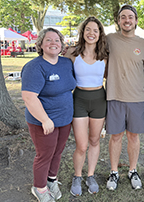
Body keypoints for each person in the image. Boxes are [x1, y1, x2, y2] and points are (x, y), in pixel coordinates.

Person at [21, 28, 76, 202]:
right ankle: (39, 187)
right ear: (41, 45)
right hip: (43, 121)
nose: (53, 43)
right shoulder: (34, 67)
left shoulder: (66, 63)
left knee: (58, 151)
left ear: (62, 45)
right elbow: (29, 97)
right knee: (44, 154)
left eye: (57, 40)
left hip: (65, 119)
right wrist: (45, 120)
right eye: (48, 40)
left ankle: (52, 180)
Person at [105, 5, 144, 191]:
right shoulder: (109, 39)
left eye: (130, 17)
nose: (127, 20)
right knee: (116, 136)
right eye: (123, 17)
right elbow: (90, 48)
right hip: (114, 96)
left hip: (136, 98)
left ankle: (133, 170)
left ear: (136, 20)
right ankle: (114, 172)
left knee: (134, 136)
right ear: (118, 21)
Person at [63, 16, 108, 196]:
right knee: (81, 145)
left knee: (95, 140)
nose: (91, 33)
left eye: (95, 30)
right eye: (88, 29)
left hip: (99, 99)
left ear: (99, 34)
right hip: (79, 98)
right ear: (83, 32)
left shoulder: (105, 54)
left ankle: (90, 175)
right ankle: (77, 175)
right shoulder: (72, 53)